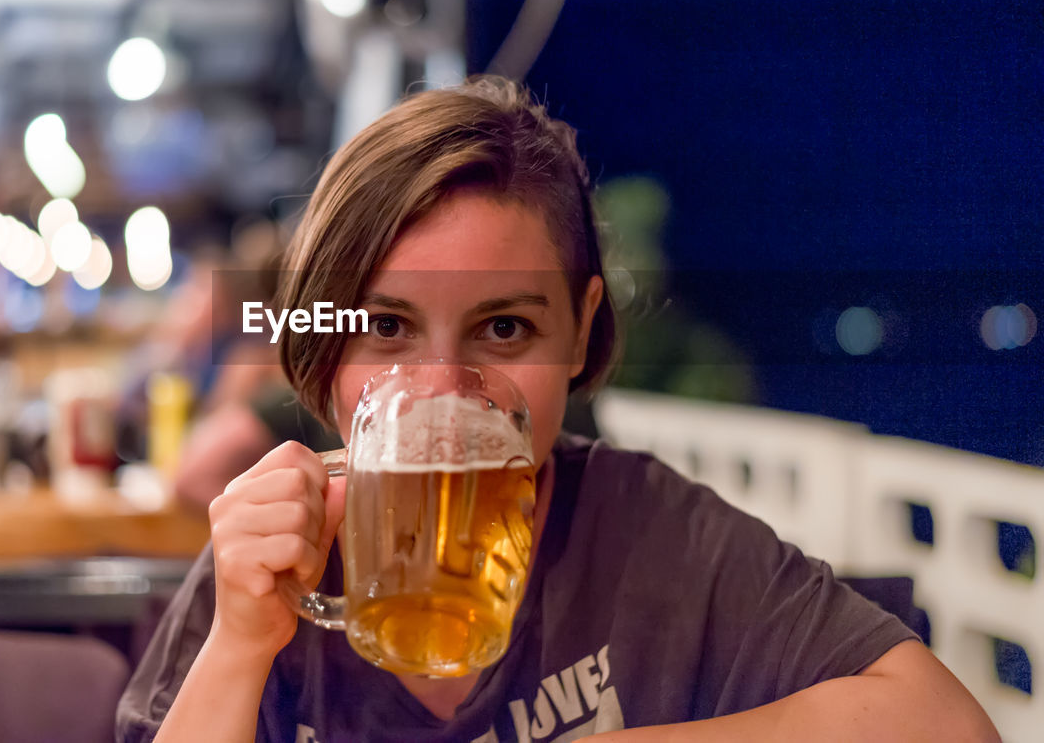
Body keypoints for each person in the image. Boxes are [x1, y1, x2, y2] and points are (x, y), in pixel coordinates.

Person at [117, 78, 998, 742]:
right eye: (386, 326)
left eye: (504, 327)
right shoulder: (266, 563)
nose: (442, 393)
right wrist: (239, 645)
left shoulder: (648, 537)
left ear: (579, 332)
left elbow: (947, 724)